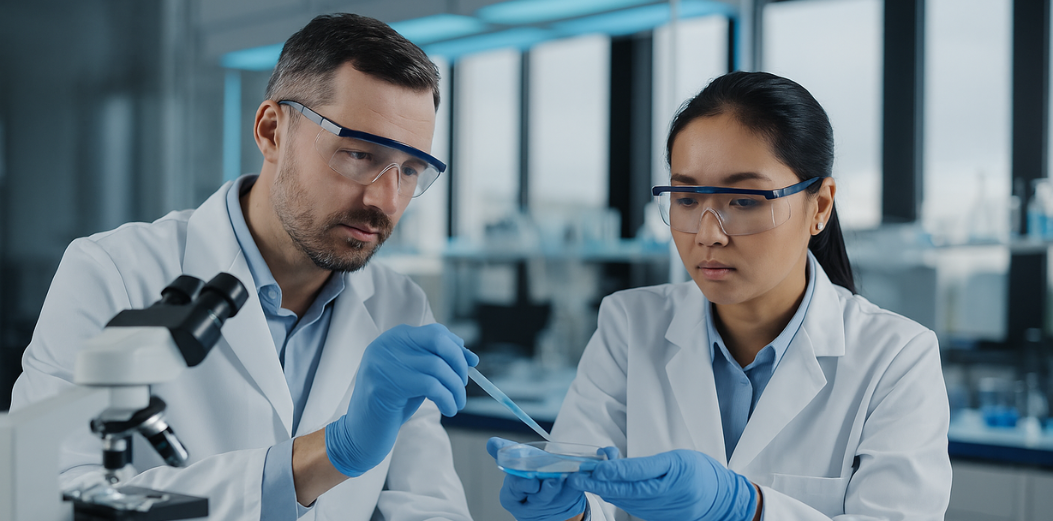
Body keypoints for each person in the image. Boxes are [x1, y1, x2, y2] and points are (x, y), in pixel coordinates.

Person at [11, 13, 477, 521]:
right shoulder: (110, 274)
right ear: (272, 131)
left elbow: (430, 509)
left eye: (410, 171)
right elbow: (37, 496)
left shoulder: (401, 308)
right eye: (360, 154)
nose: (386, 200)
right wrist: (327, 455)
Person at [487, 71, 952, 520]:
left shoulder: (897, 358)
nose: (708, 234)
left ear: (821, 206)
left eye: (745, 201)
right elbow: (587, 489)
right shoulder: (630, 323)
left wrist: (746, 508)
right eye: (686, 200)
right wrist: (566, 512)